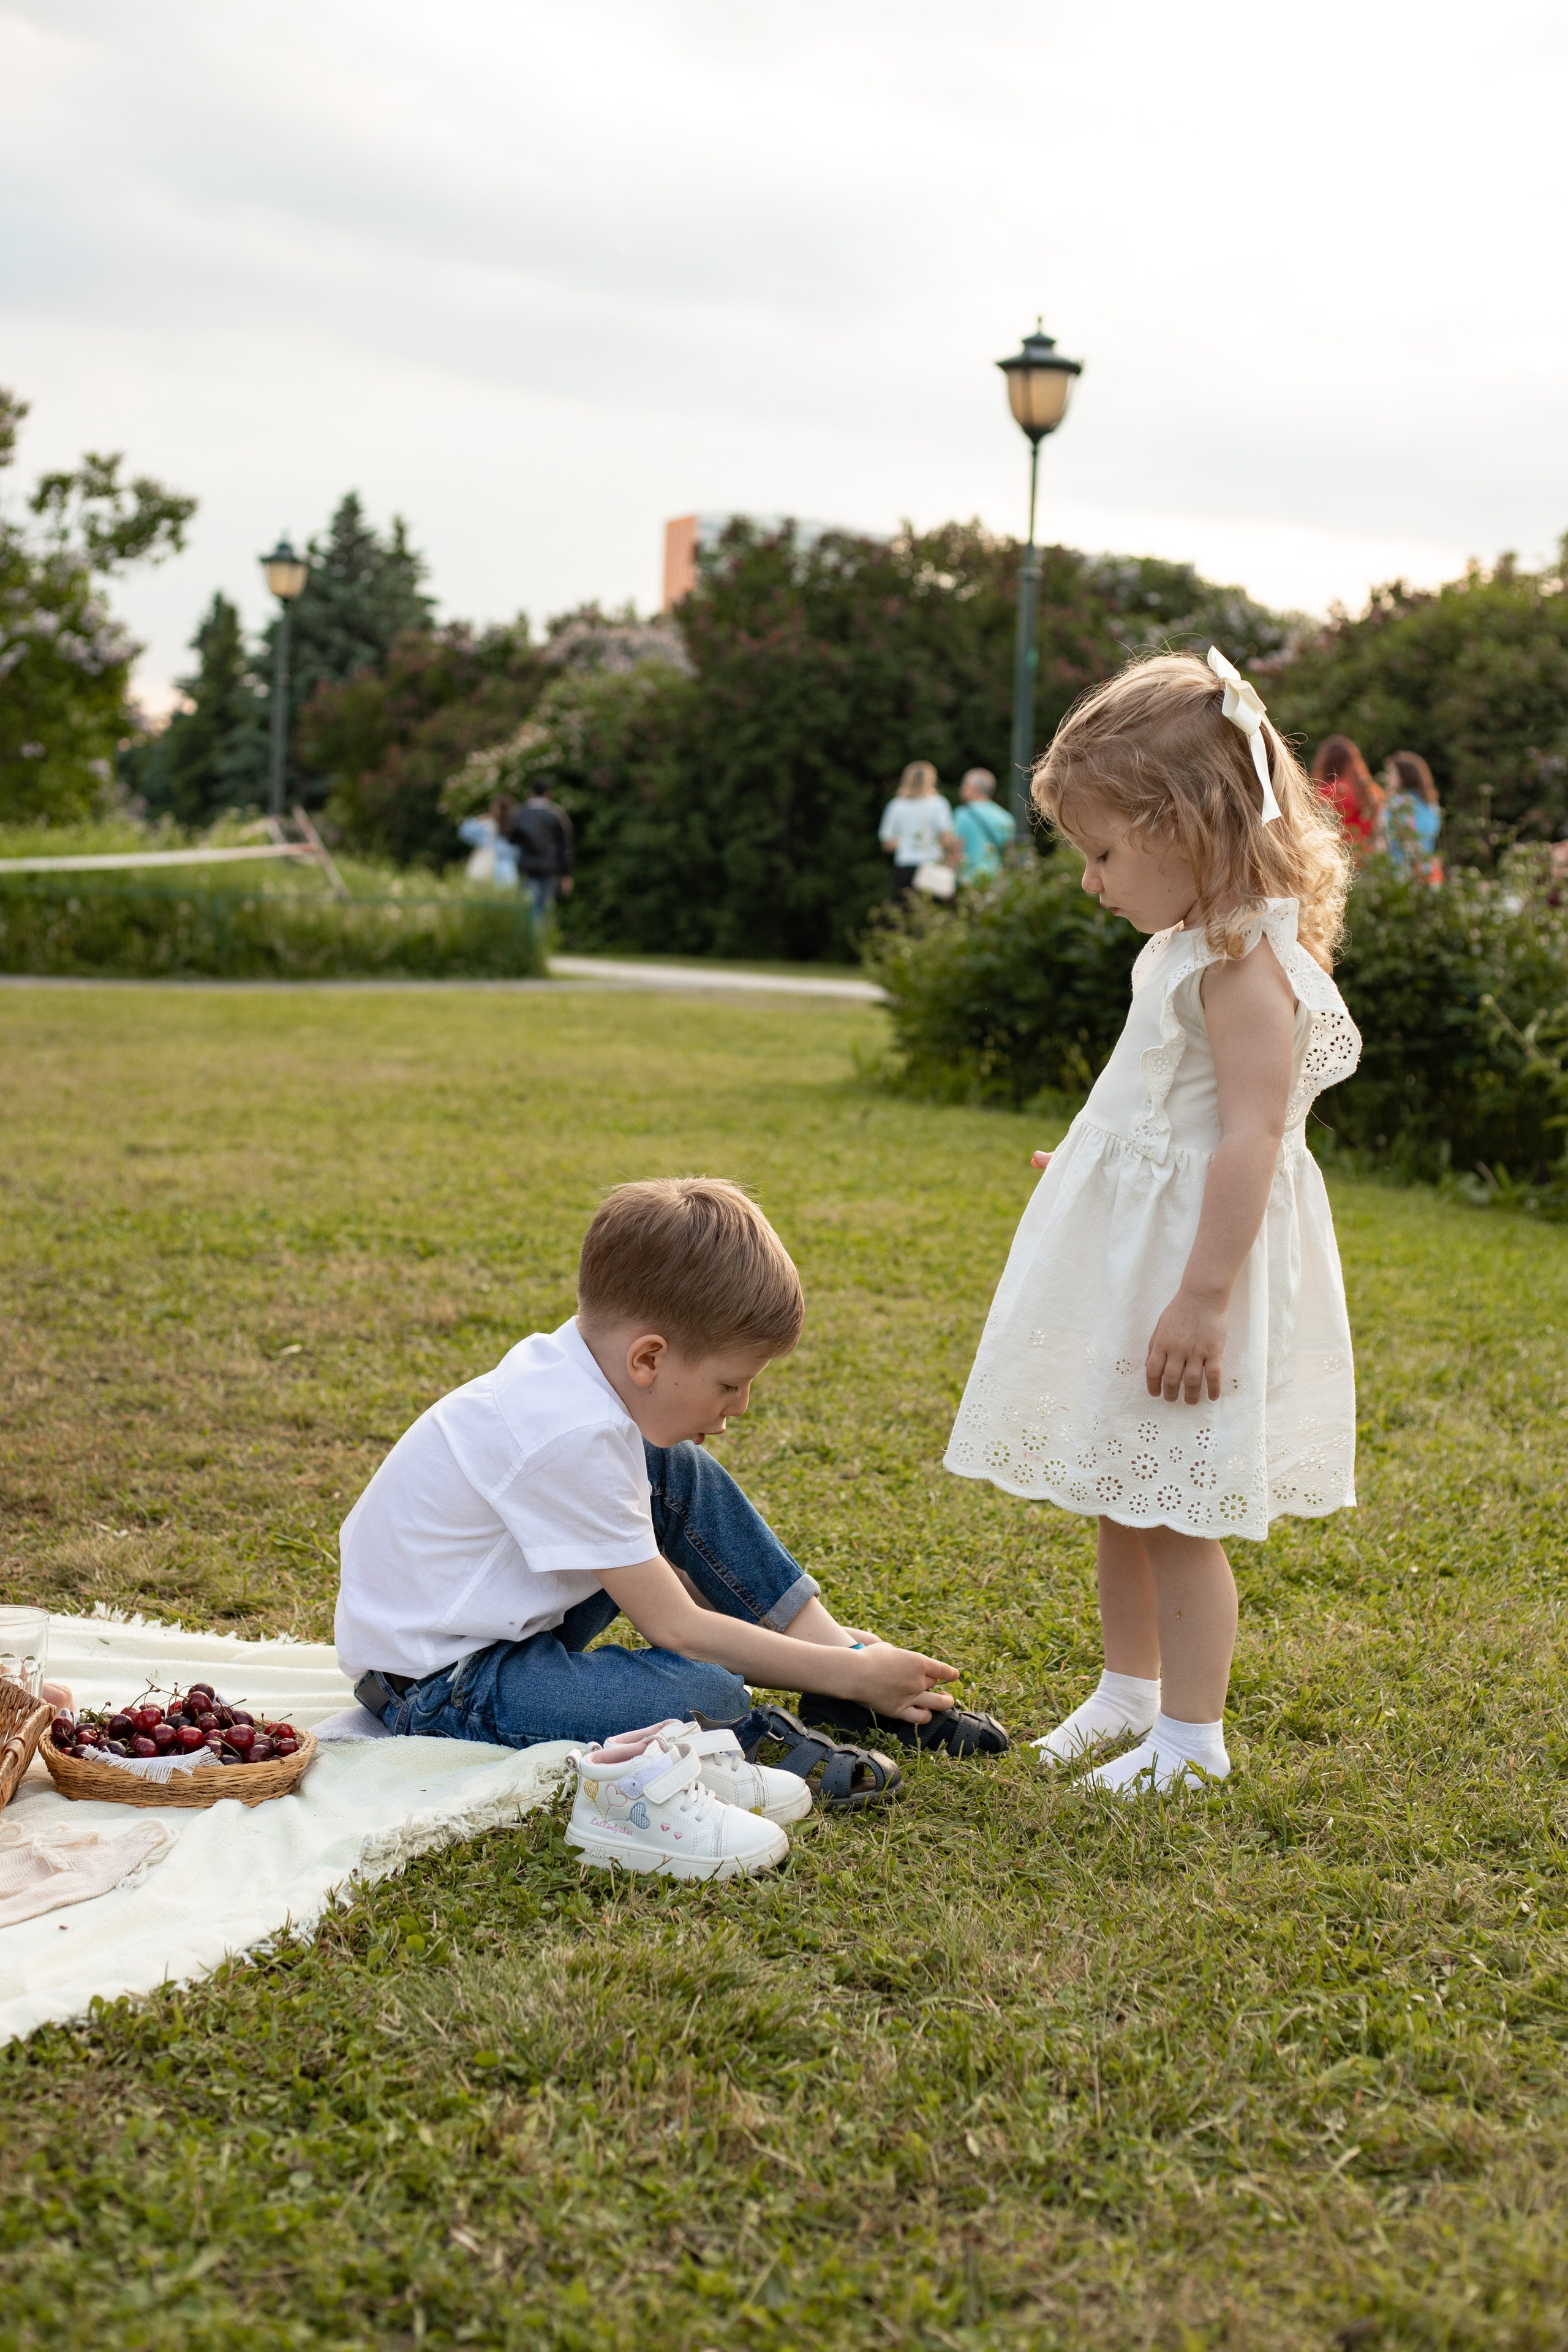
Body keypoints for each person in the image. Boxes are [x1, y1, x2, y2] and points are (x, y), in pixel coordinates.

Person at [945, 648, 1362, 1796]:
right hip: (1145, 1246)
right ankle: (1126, 1689)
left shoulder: (1246, 966)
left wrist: (1204, 1296)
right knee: (1119, 1484)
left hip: (1193, 1269)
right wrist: (1090, 1162)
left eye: (1104, 851)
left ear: (1185, 825)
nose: (1092, 880)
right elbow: (1157, 1106)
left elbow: (1254, 1139)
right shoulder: (1184, 945)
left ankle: (1192, 1735)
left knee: (1174, 1499)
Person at [337, 1180, 1005, 1868]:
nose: (741, 1405)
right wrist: (839, 1671)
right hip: (439, 1684)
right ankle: (818, 1693)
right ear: (649, 1358)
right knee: (706, 1688)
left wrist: (839, 1664)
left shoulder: (584, 1379)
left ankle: (844, 1678)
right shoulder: (569, 1432)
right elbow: (675, 1627)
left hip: (506, 1626)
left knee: (677, 1471)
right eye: (729, 1383)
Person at [878, 760, 957, 896]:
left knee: (903, 913)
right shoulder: (939, 804)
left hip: (905, 866)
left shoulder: (896, 805)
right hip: (931, 865)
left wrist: (905, 841)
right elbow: (946, 838)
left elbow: (887, 844)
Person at [510, 782, 575, 925]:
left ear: (530, 792)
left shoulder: (520, 813)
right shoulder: (556, 814)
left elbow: (512, 840)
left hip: (528, 866)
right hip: (550, 866)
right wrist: (566, 874)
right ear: (548, 794)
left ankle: (532, 940)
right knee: (545, 906)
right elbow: (565, 846)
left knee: (530, 906)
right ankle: (539, 940)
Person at [1311, 735, 1382, 861]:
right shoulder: (1372, 790)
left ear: (1324, 763)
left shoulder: (1327, 792)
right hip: (1371, 860)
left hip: (1342, 860)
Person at [1381, 750, 1444, 884]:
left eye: (1391, 774)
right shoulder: (1432, 805)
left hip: (1399, 875)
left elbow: (1383, 841)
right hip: (1427, 873)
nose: (1387, 778)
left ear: (1402, 776)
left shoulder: (1395, 804)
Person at [951, 768, 1016, 886]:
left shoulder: (962, 814)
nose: (961, 789)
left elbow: (957, 850)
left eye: (965, 785)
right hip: (996, 878)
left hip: (968, 880)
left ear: (975, 789)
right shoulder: (1005, 817)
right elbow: (1009, 853)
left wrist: (953, 879)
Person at [457, 796, 520, 888]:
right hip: (499, 865)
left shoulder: (493, 825)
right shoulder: (493, 824)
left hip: (494, 863)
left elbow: (464, 832)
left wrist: (478, 819)